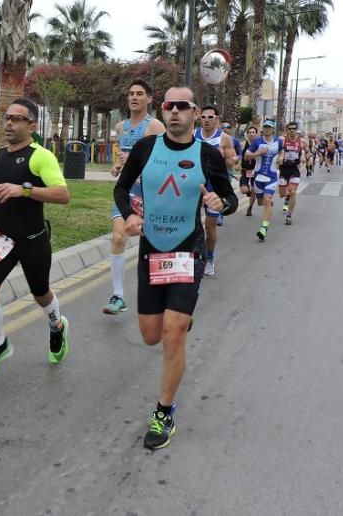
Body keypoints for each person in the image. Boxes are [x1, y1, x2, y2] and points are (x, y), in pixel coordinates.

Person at [114, 86, 238, 450]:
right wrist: (130, 215)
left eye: (183, 106)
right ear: (163, 110)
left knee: (172, 333)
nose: (175, 112)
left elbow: (229, 197)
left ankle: (164, 412)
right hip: (152, 249)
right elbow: (122, 190)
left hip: (188, 250)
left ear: (195, 113)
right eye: (169, 105)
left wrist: (221, 202)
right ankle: (179, 320)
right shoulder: (145, 149)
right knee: (151, 336)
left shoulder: (207, 155)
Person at [0, 98, 71, 382]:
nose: (9, 123)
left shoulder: (41, 156)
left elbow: (62, 195)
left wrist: (25, 190)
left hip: (33, 240)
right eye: (6, 118)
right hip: (1, 239)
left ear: (31, 125)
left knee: (41, 294)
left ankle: (57, 326)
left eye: (16, 119)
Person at [105, 79, 165, 314]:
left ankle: (163, 292)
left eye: (140, 93)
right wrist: (117, 168)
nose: (134, 97)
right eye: (131, 93)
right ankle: (118, 295)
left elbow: (162, 161)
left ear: (149, 99)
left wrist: (134, 164)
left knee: (155, 244)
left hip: (151, 194)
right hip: (128, 191)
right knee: (118, 237)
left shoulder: (156, 127)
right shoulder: (121, 127)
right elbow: (122, 155)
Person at [192, 106, 237, 276]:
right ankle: (192, 257)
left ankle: (209, 258)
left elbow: (232, 164)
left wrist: (221, 156)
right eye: (203, 117)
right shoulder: (193, 135)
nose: (206, 120)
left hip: (213, 187)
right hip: (194, 184)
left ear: (216, 119)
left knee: (210, 227)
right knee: (190, 224)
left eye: (210, 117)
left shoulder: (224, 139)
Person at [248, 119, 284, 242]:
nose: (267, 129)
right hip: (258, 177)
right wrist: (258, 153)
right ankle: (268, 203)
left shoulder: (278, 141)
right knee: (260, 203)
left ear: (273, 129)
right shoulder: (257, 141)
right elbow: (247, 156)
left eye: (269, 127)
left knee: (267, 199)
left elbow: (280, 152)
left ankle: (264, 228)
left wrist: (280, 158)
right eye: (265, 127)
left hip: (272, 176)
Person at [278, 121, 305, 225]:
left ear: (296, 130)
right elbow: (275, 149)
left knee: (293, 191)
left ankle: (289, 215)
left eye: (294, 129)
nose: (292, 130)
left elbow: (308, 151)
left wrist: (305, 156)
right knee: (282, 194)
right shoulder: (282, 140)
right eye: (290, 129)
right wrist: (279, 157)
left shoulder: (302, 141)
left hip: (294, 169)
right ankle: (286, 196)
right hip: (283, 169)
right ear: (287, 130)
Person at [239, 125, 259, 216]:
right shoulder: (243, 144)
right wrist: (236, 163)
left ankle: (250, 207)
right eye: (249, 132)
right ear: (247, 134)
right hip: (245, 170)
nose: (251, 134)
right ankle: (248, 192)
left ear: (256, 134)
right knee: (244, 190)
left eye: (253, 132)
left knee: (254, 189)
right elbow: (238, 155)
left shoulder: (259, 145)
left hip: (255, 171)